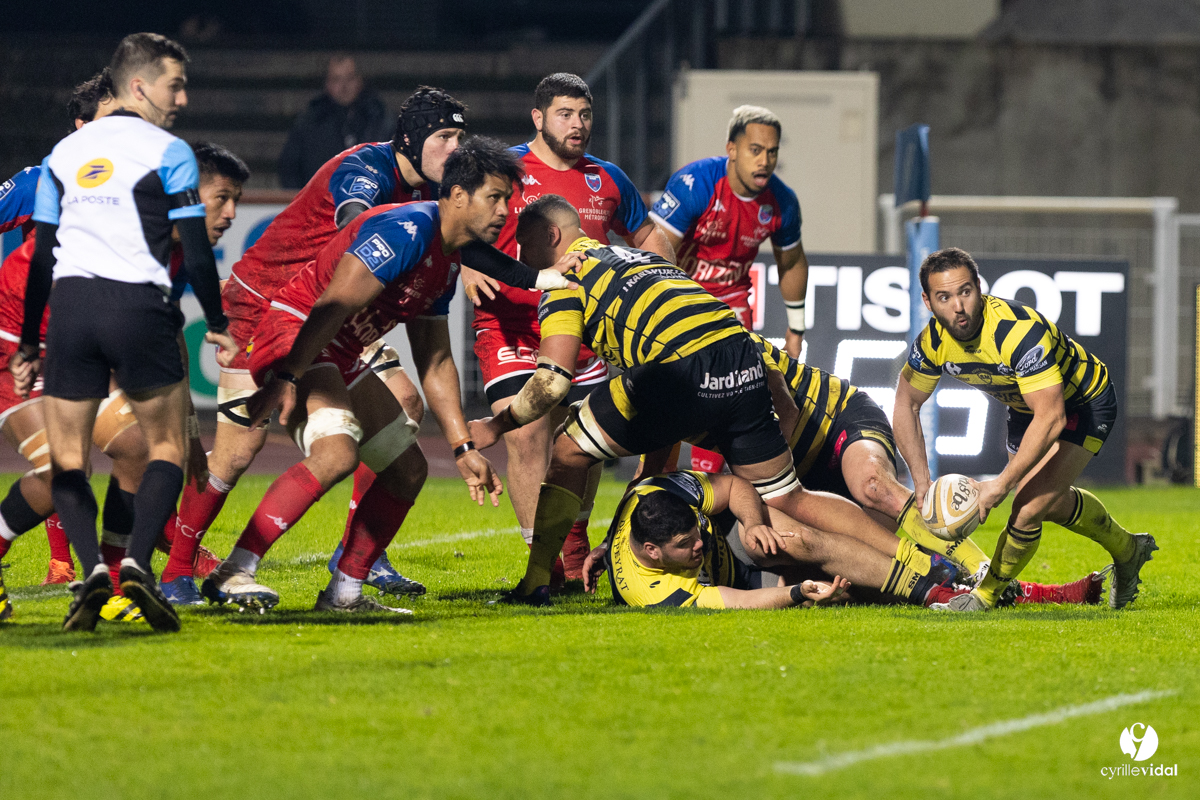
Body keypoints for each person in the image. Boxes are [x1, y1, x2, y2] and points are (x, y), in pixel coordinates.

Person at [171, 87, 558, 604]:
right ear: (412, 139)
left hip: (338, 327)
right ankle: (182, 572)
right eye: (444, 136)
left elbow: (435, 353)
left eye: (461, 138)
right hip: (278, 312)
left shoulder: (435, 235)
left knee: (405, 446)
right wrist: (287, 375)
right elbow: (354, 232)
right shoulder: (373, 179)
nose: (454, 149)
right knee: (252, 452)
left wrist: (463, 444)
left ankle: (347, 581)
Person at [468, 196, 929, 606]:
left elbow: (552, 383)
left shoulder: (566, 278)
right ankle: (928, 569)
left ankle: (536, 580)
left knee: (567, 450)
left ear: (550, 237)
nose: (524, 265)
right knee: (791, 503)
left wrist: (496, 425)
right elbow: (668, 427)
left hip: (706, 381)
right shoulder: (645, 259)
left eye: (524, 252)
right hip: (737, 361)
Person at [12, 33, 237, 633]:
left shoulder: (64, 154)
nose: (183, 98)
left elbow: (41, 258)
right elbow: (193, 254)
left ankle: (92, 571)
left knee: (70, 460)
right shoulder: (170, 152)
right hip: (137, 306)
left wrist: (33, 342)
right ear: (139, 86)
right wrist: (216, 325)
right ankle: (135, 562)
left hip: (71, 308)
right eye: (175, 84)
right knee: (165, 447)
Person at [464, 72, 675, 582]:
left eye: (584, 114)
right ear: (537, 117)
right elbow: (458, 219)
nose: (577, 124)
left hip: (584, 335)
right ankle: (547, 563)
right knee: (529, 429)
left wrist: (667, 282)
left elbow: (649, 235)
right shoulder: (506, 171)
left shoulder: (607, 179)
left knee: (584, 440)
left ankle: (574, 546)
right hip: (514, 328)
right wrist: (467, 259)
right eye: (564, 113)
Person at [893, 247, 1156, 612]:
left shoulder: (1017, 332)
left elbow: (1051, 417)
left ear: (979, 288)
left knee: (1027, 506)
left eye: (966, 292)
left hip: (1083, 401)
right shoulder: (932, 343)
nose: (958, 306)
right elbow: (905, 404)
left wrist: (999, 485)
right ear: (927, 300)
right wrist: (921, 482)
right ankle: (1130, 549)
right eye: (944, 296)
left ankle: (982, 597)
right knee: (1047, 501)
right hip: (1025, 407)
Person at [584, 470, 1108, 609]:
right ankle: (969, 587)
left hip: (745, 544)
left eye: (694, 532)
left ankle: (934, 577)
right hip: (741, 581)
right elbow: (741, 600)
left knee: (798, 534)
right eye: (684, 546)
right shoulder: (651, 592)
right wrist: (796, 594)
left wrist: (750, 524)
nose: (696, 545)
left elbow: (735, 487)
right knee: (853, 589)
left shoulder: (666, 494)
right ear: (651, 553)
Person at [649, 105, 810, 474]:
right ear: (732, 149)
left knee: (732, 399)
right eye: (755, 150)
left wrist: (796, 328)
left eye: (772, 152)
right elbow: (655, 252)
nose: (765, 161)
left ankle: (718, 493)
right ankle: (654, 487)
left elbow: (792, 262)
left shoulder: (782, 201)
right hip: (682, 300)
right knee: (671, 406)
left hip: (732, 308)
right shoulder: (696, 184)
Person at [278, 55, 391, 189]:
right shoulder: (309, 122)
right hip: (320, 203)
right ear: (327, 84)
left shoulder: (379, 119)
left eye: (349, 78)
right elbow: (289, 169)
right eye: (337, 79)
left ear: (360, 81)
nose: (344, 86)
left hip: (372, 202)